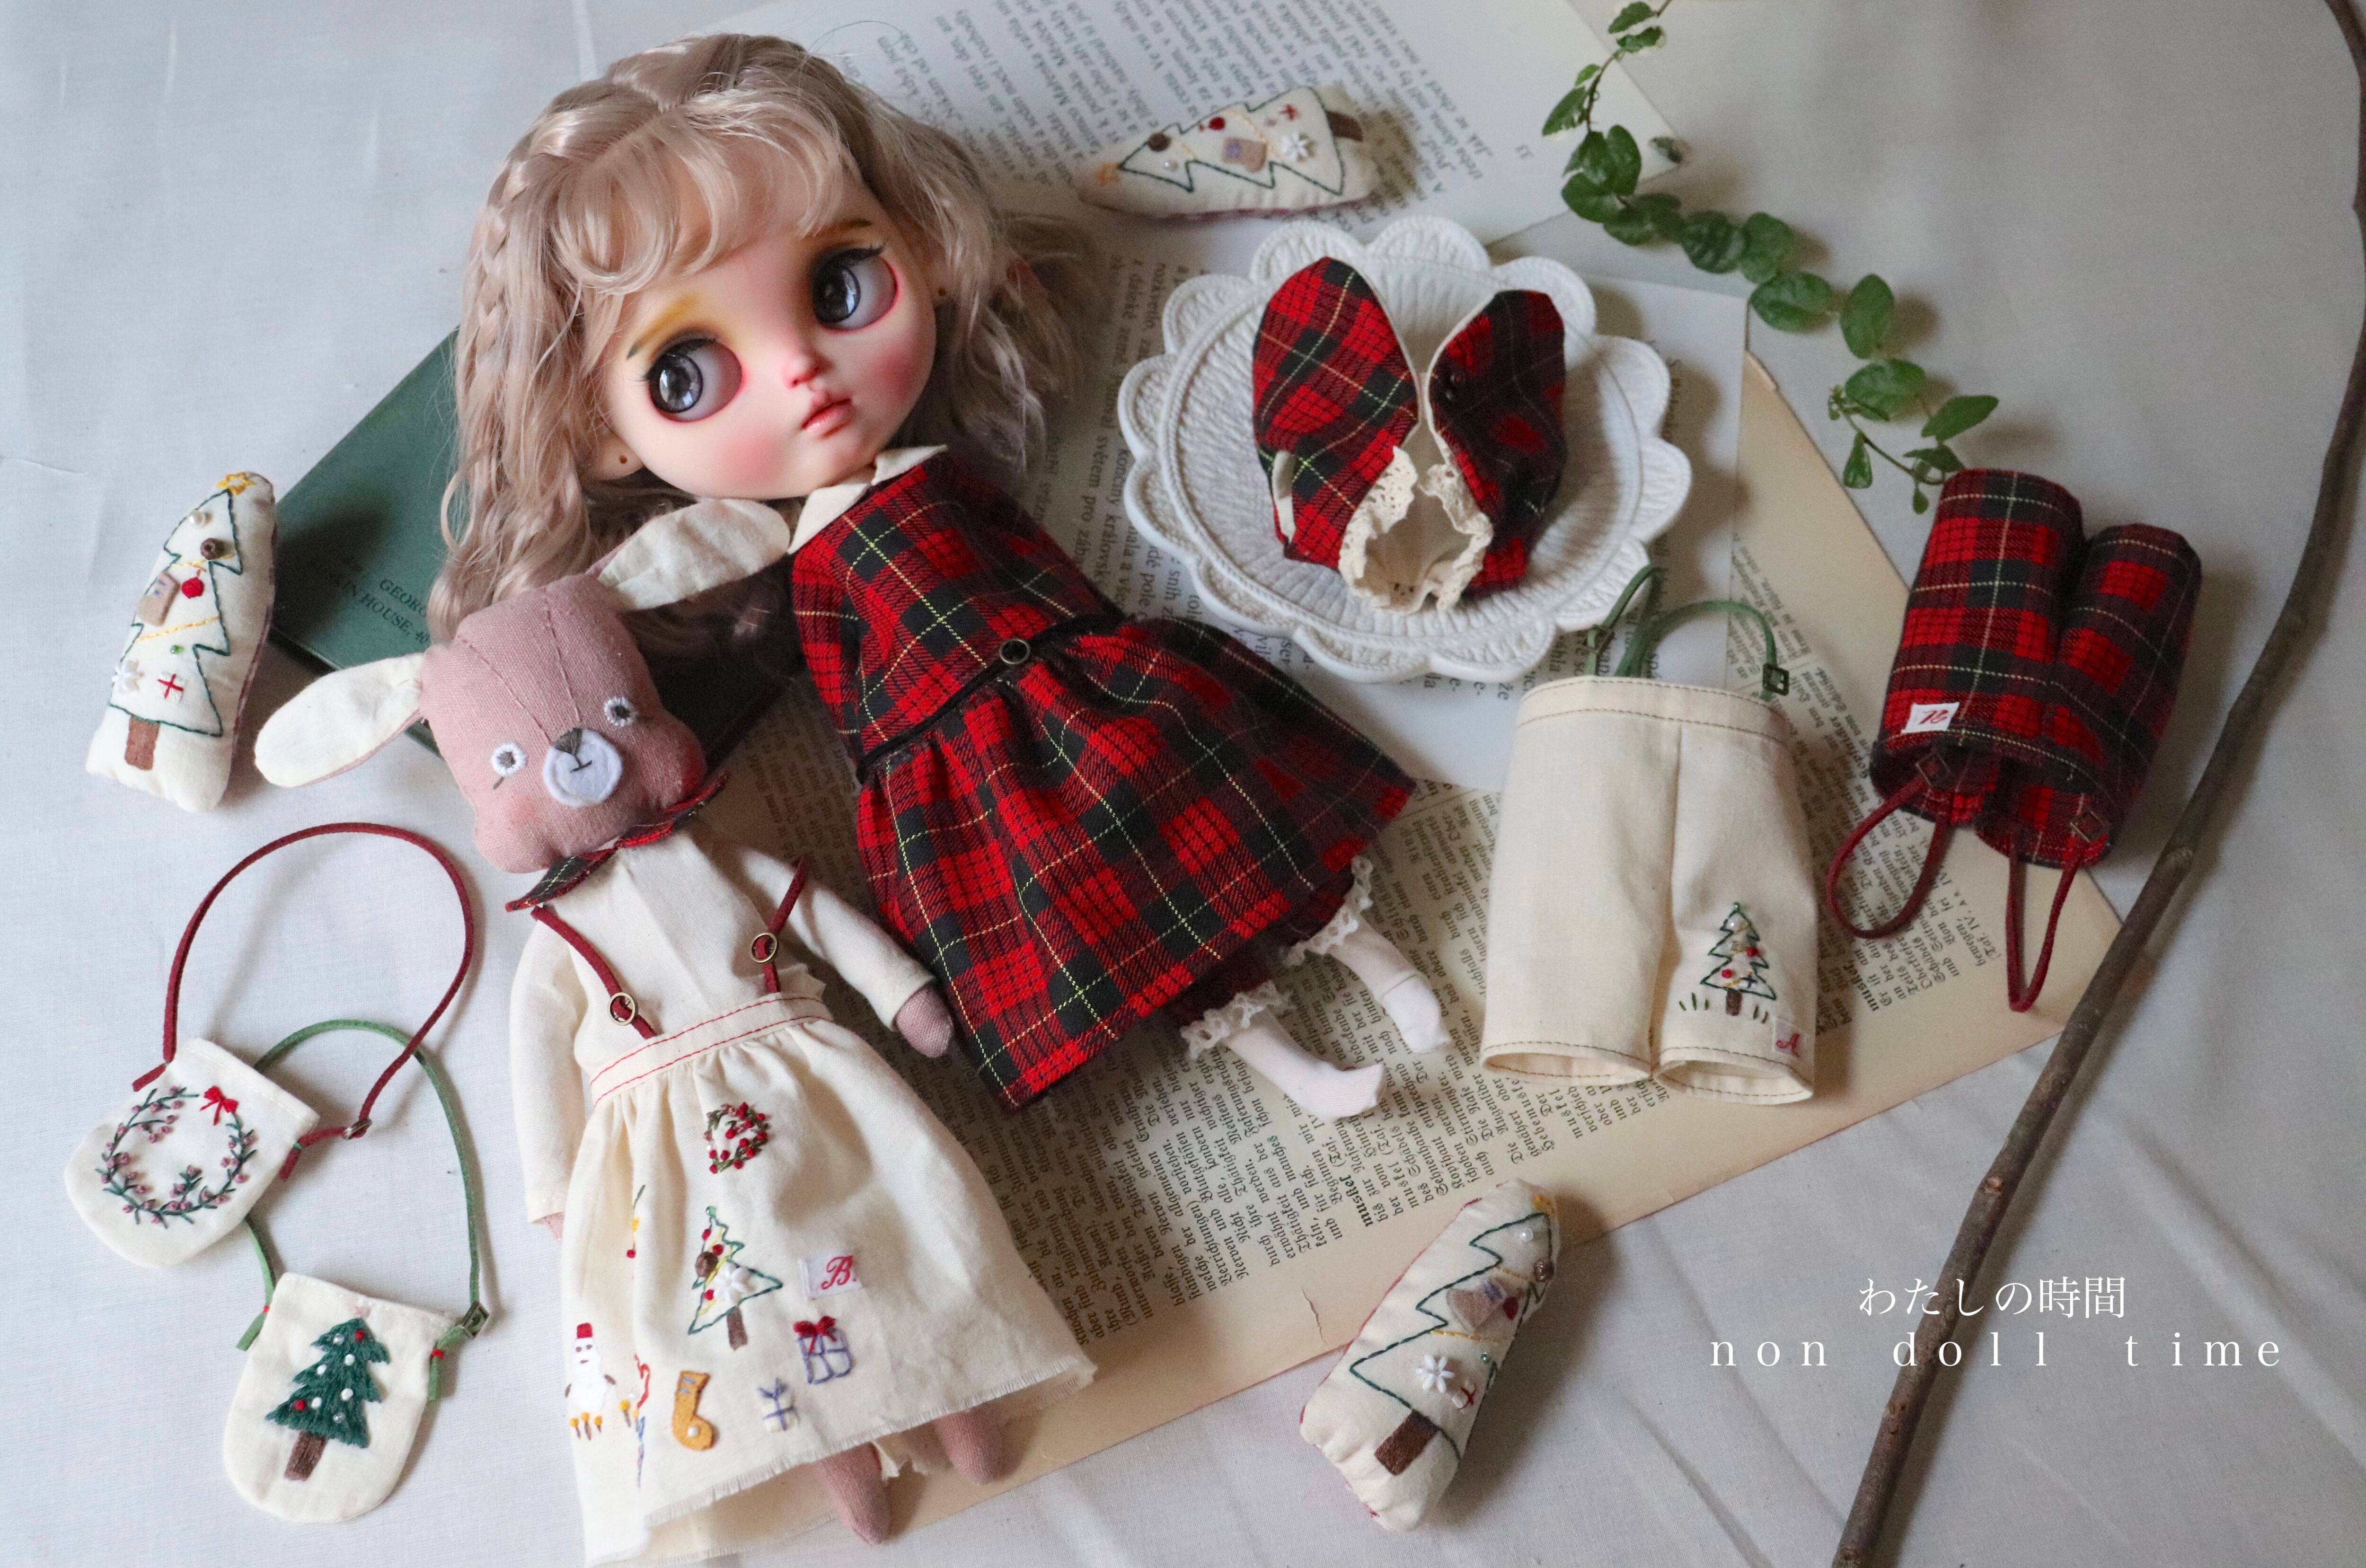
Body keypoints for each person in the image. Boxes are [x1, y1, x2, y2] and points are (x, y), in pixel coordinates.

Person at [435, 33, 1447, 1124]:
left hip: (1079, 681)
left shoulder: (940, 480)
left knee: (1234, 824)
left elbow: (1041, 572)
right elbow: (859, 702)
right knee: (1133, 917)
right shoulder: (804, 572)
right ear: (598, 431)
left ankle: (1382, 964)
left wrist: (1103, 660)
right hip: (969, 763)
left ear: (921, 244)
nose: (800, 370)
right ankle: (1290, 1066)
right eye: (687, 374)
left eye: (838, 286)